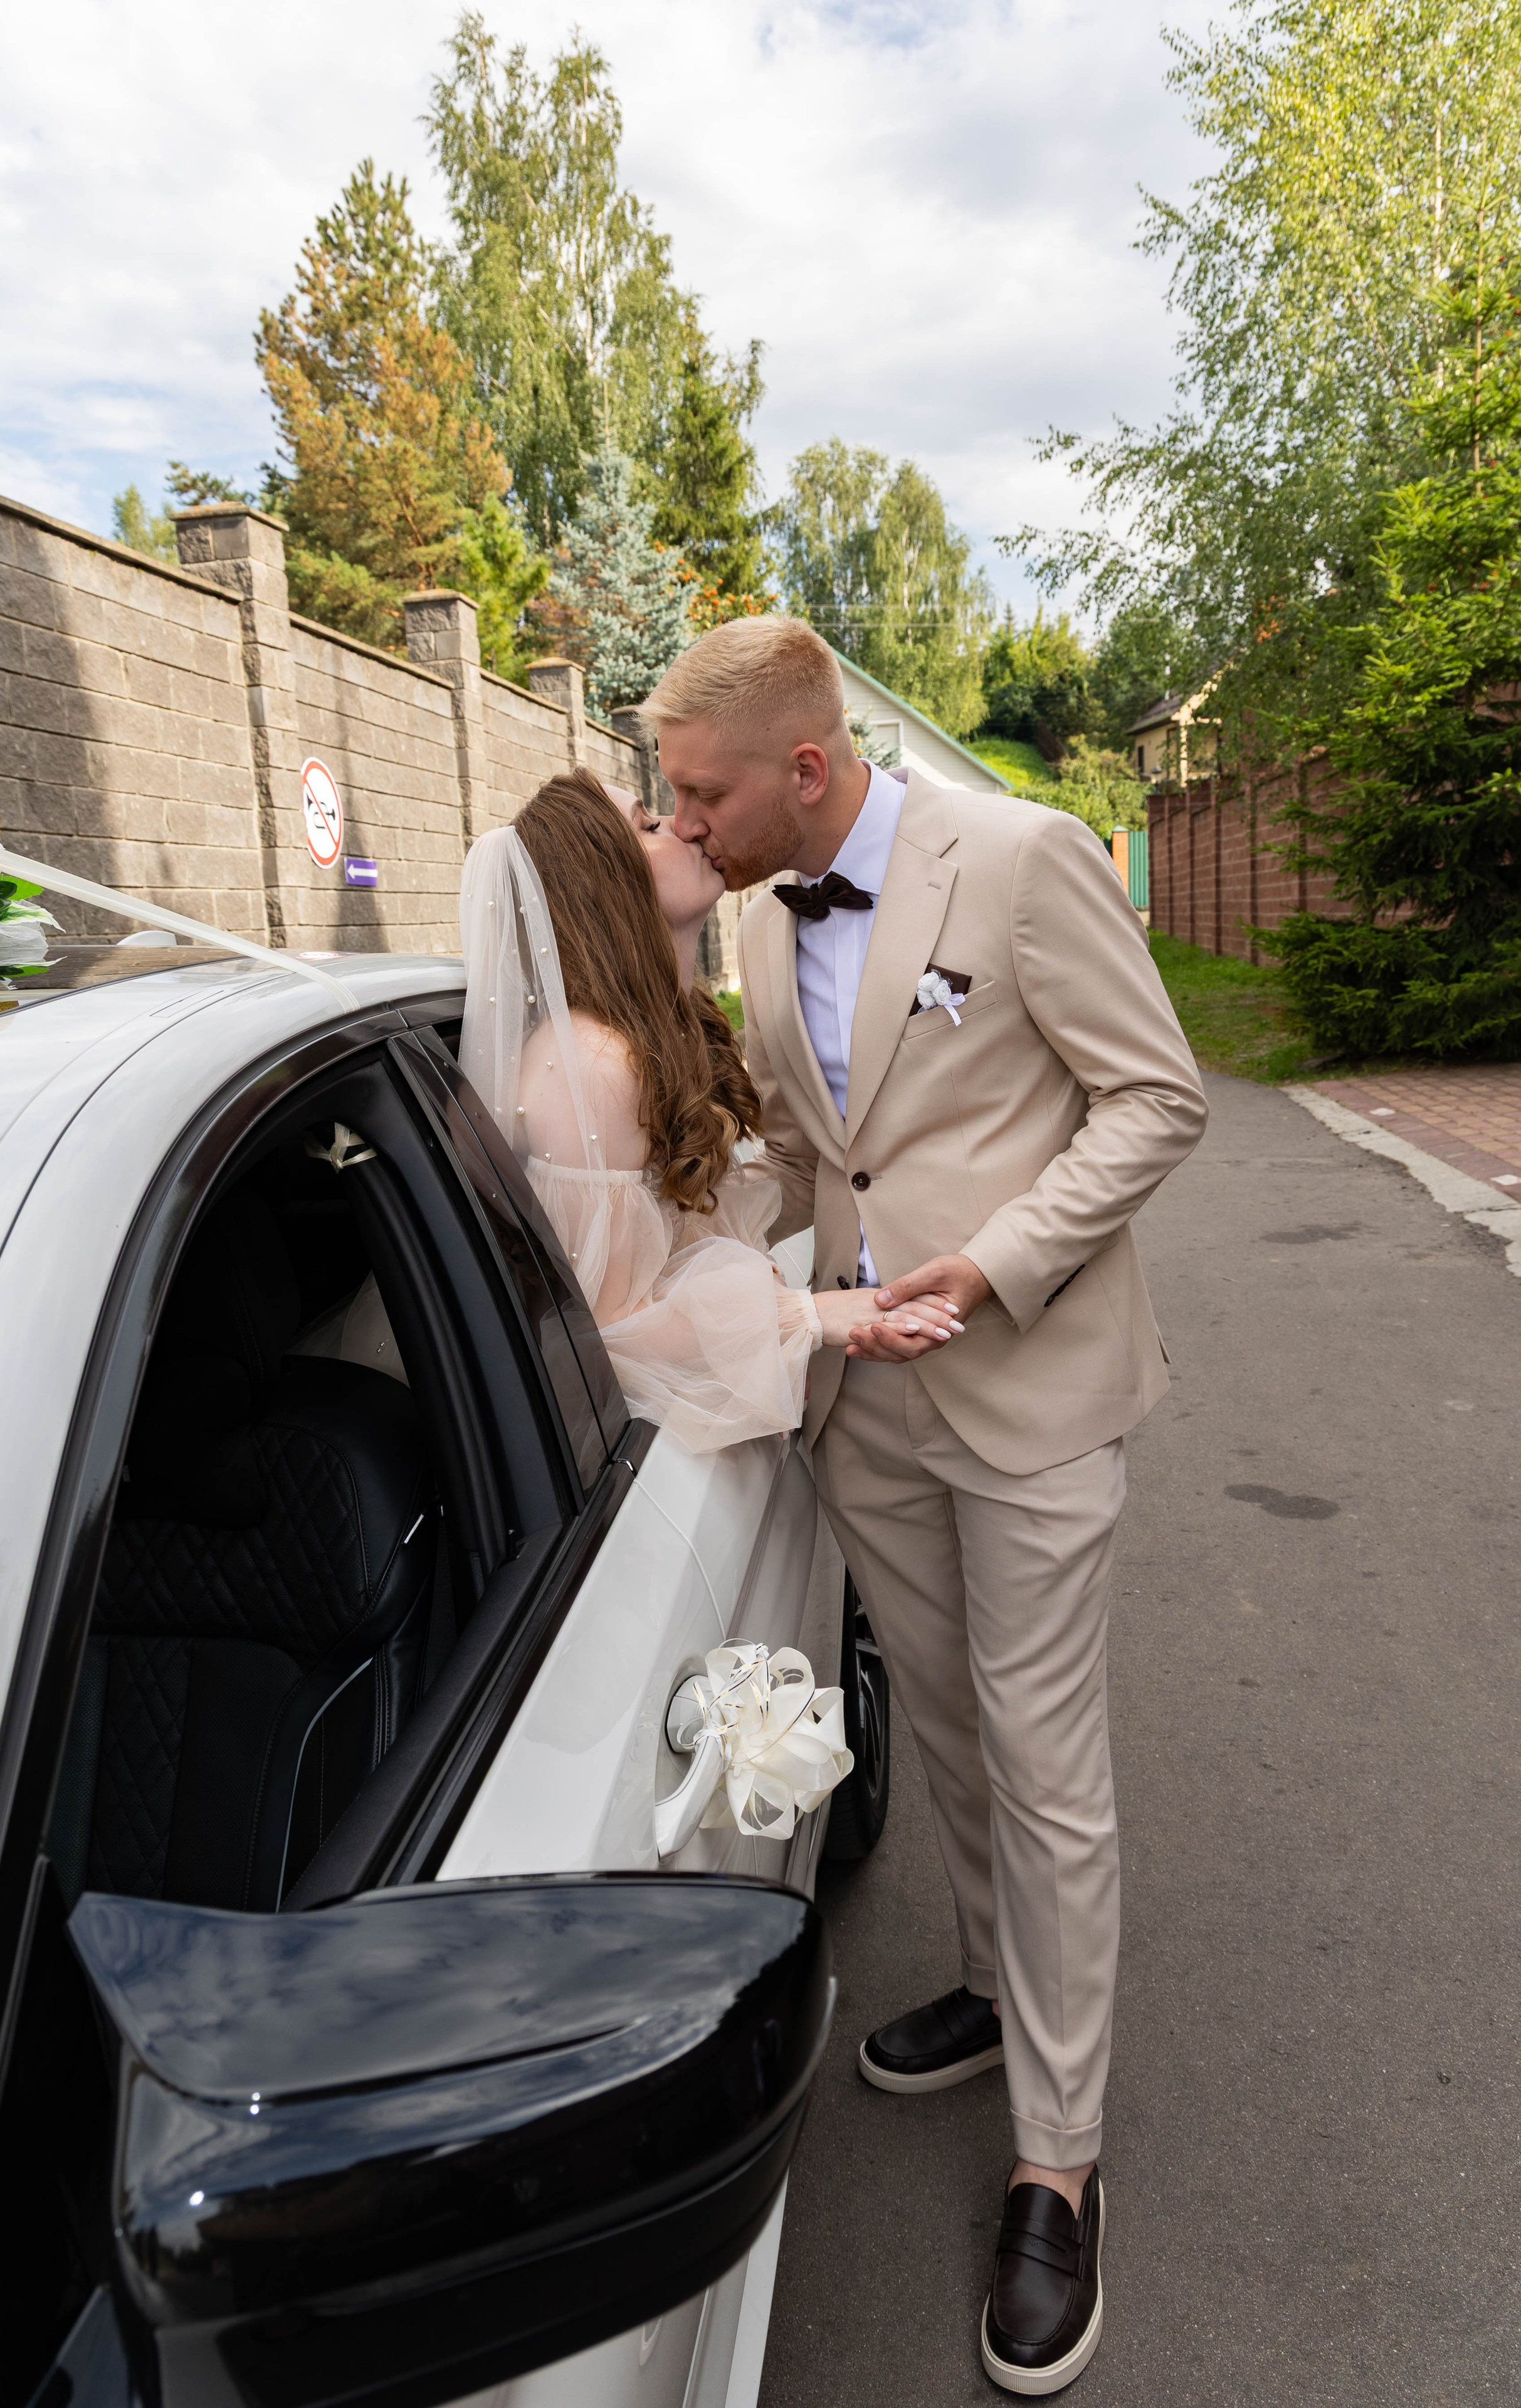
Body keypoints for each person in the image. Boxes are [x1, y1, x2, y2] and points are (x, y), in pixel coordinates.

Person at [641, 616, 1207, 2395]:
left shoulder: (1026, 858)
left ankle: (1058, 2164)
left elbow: (1156, 1100)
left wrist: (1003, 1258)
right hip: (867, 1409)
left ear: (804, 768)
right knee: (950, 1734)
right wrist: (693, 1282)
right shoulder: (745, 915)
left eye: (700, 790)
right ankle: (988, 1978)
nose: (685, 819)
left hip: (1030, 1387)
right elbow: (820, 1152)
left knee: (1048, 1770)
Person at [457, 768, 959, 1453]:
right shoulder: (591, 1063)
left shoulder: (665, 1025)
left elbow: (677, 1224)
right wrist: (808, 1315)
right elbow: (602, 1331)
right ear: (602, 880)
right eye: (647, 823)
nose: (684, 824)